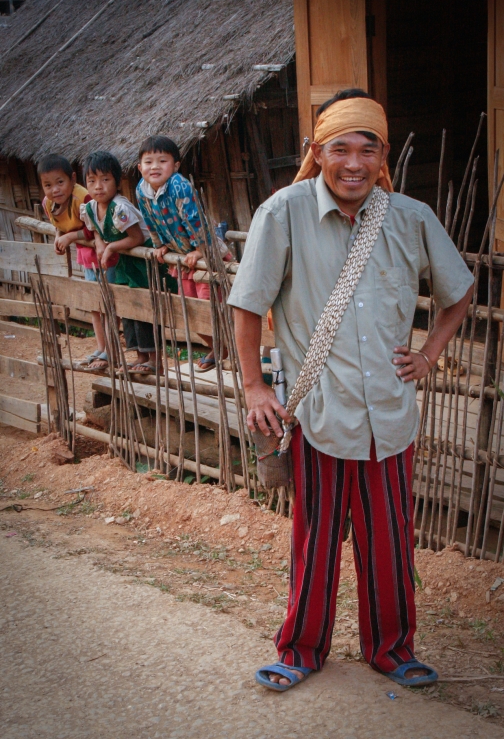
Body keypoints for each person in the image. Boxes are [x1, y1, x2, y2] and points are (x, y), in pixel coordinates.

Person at [228, 89, 474, 692]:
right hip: (318, 412)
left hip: (389, 415)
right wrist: (255, 385)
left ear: (383, 156)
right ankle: (300, 650)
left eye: (369, 148)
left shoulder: (410, 218)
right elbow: (247, 302)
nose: (354, 162)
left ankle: (391, 649)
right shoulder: (282, 212)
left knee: (389, 540)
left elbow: (459, 291)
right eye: (340, 147)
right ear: (318, 152)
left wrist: (429, 354)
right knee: (313, 540)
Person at [136, 135, 229, 372]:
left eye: (162, 161)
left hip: (206, 256)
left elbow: (195, 220)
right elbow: (151, 221)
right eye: (148, 162)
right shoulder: (142, 190)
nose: (154, 167)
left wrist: (200, 250)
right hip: (182, 259)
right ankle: (221, 348)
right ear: (139, 167)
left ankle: (229, 348)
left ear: (175, 165)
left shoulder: (178, 185)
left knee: (210, 306)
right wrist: (161, 245)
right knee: (189, 311)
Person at [80, 151, 175, 374]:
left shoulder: (120, 208)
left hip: (144, 263)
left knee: (145, 308)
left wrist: (111, 246)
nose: (98, 187)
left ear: (117, 181)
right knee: (128, 308)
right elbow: (95, 230)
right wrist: (101, 242)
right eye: (91, 181)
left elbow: (137, 238)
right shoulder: (91, 208)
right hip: (125, 264)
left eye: (105, 180)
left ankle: (154, 359)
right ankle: (139, 356)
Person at [38, 153, 115, 369]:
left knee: (109, 302)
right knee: (94, 304)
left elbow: (94, 231)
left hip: (104, 255)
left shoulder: (84, 198)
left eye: (60, 182)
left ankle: (111, 349)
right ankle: (101, 347)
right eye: (48, 185)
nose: (55, 190)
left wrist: (70, 237)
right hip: (85, 256)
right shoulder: (49, 203)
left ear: (72, 179)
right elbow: (59, 224)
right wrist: (57, 237)